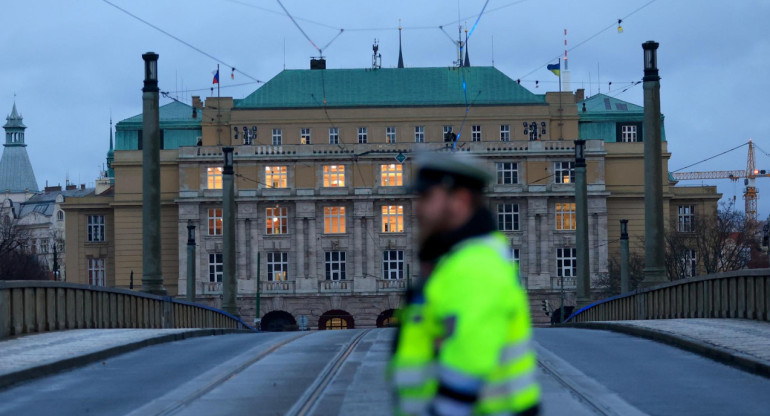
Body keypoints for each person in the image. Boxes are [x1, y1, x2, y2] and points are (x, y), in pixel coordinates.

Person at [390, 152, 540, 416]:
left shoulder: (474, 266)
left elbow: (468, 366)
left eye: (426, 197)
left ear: (459, 200)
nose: (417, 208)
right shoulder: (454, 261)